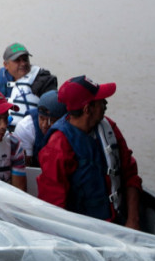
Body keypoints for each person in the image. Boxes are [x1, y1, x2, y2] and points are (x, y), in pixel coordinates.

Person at [37, 76, 142, 229]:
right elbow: (53, 205)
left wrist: (133, 220)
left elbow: (130, 174)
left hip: (119, 224)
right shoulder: (58, 145)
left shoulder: (109, 128)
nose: (106, 103)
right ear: (87, 109)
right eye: (101, 101)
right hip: (84, 232)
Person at [0, 42, 57, 128]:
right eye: (17, 60)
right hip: (2, 133)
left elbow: (54, 108)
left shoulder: (43, 80)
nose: (23, 63)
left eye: (25, 59)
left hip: (31, 133)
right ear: (6, 65)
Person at [12, 90, 66, 167]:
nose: (44, 125)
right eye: (41, 118)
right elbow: (26, 169)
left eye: (52, 121)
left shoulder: (70, 127)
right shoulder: (26, 126)